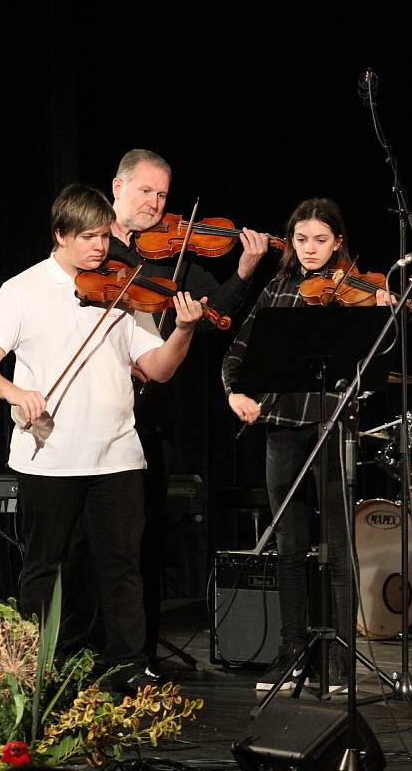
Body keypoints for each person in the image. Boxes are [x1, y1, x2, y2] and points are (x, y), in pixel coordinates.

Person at [0, 182, 206, 695]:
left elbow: (156, 369)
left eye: (103, 236)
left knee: (122, 568)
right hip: (48, 457)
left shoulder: (122, 288)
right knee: (43, 569)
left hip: (117, 454)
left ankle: (128, 669)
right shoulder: (22, 289)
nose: (100, 247)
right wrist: (14, 390)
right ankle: (31, 670)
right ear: (60, 235)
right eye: (88, 237)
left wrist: (182, 331)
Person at [62, 149, 270, 667]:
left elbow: (214, 316)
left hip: (146, 418)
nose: (155, 204)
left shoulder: (170, 260)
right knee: (80, 550)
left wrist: (243, 269)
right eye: (146, 191)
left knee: (139, 549)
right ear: (117, 187)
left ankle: (135, 661)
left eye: (162, 196)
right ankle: (74, 661)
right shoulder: (89, 249)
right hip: (80, 418)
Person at [221, 196, 393, 692]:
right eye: (301, 240)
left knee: (338, 548)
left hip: (333, 424)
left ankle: (340, 661)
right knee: (290, 547)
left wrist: (382, 316)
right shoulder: (276, 289)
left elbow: (377, 362)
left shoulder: (355, 291)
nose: (310, 249)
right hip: (283, 427)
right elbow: (239, 349)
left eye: (320, 240)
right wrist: (235, 392)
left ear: (338, 242)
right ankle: (290, 654)